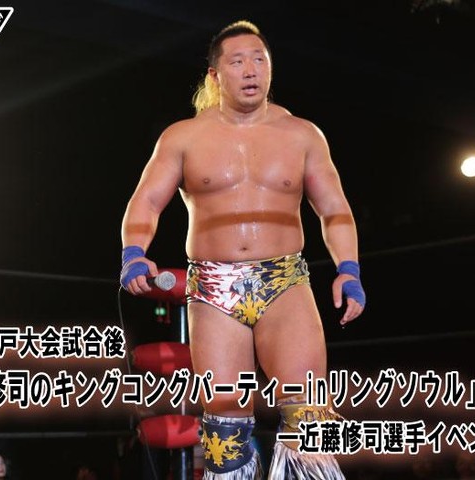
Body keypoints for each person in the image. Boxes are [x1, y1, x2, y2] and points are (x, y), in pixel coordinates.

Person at [120, 20, 365, 479]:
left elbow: (335, 209)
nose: (251, 70)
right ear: (215, 76)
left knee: (310, 408)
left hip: (284, 279)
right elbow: (146, 201)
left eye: (259, 60)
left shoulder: (303, 135)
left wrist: (348, 269)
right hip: (214, 284)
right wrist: (134, 252)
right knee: (225, 418)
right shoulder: (183, 137)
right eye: (237, 62)